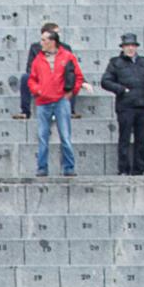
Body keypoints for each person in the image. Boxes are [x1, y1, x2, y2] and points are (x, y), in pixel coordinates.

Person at [101, 33, 144, 175]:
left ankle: (139, 169)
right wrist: (121, 89)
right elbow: (105, 81)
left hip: (142, 106)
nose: (130, 48)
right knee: (124, 139)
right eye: (127, 45)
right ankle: (123, 169)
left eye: (132, 45)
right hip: (125, 106)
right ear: (122, 47)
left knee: (141, 140)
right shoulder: (115, 62)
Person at [28, 28, 85, 177]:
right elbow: (32, 79)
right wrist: (37, 90)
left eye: (44, 40)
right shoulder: (38, 59)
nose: (41, 43)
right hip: (43, 101)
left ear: (52, 42)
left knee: (65, 135)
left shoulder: (67, 56)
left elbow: (78, 76)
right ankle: (42, 167)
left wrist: (72, 92)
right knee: (42, 136)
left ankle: (69, 167)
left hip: (61, 100)